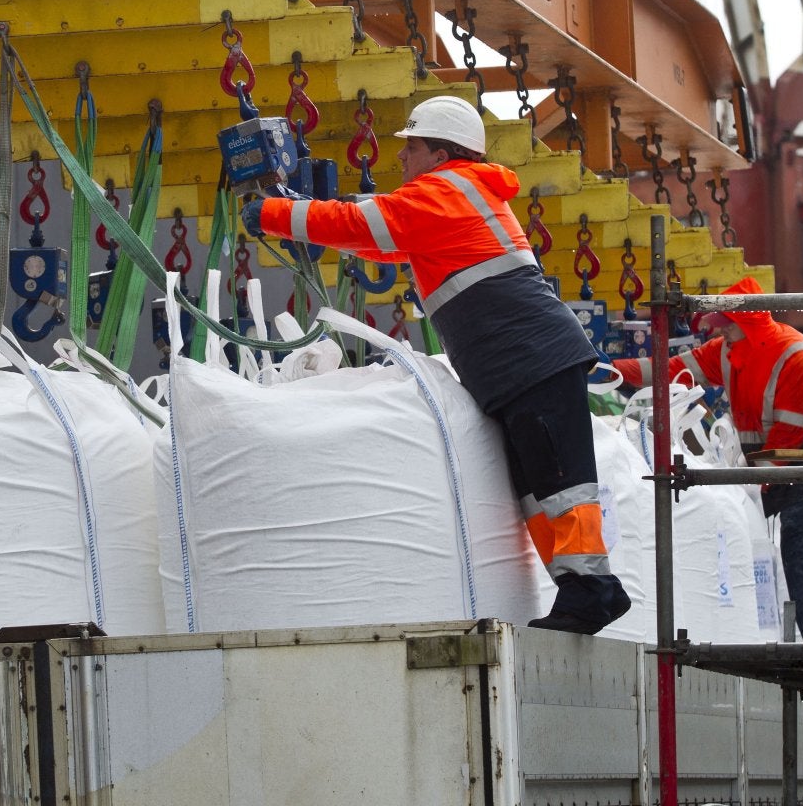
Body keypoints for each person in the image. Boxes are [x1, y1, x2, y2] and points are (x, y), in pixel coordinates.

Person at [242, 96, 630, 634]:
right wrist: (299, 214)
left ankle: (591, 589)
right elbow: (382, 241)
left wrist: (272, 213)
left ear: (441, 152)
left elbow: (366, 224)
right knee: (540, 490)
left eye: (412, 147)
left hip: (530, 359)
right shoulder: (453, 198)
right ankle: (583, 588)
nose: (401, 158)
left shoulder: (450, 189)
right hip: (519, 365)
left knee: (560, 483)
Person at [612, 277, 803, 642]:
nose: (720, 335)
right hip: (772, 462)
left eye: (726, 327)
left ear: (745, 323)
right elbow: (668, 369)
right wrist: (611, 370)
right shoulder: (729, 351)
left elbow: (787, 440)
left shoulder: (801, 360)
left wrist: (749, 493)